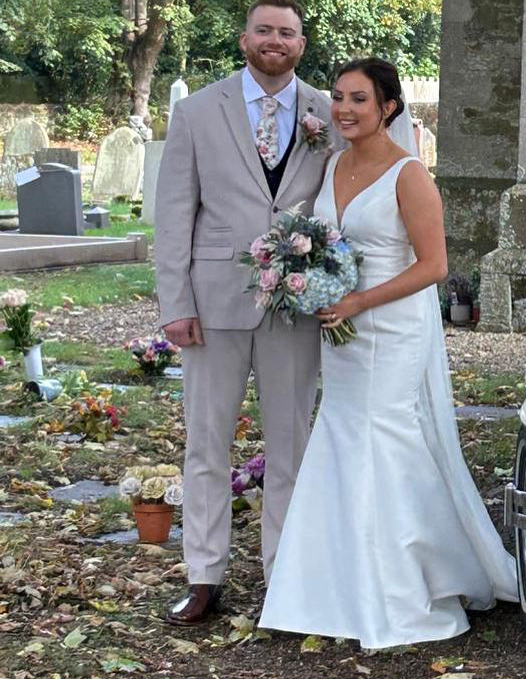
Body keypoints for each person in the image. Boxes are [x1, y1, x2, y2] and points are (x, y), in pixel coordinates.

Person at [257, 58, 518, 648]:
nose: (344, 110)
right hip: (341, 332)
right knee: (343, 436)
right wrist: (309, 281)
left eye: (359, 100)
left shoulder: (409, 175)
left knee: (385, 437)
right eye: (339, 98)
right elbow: (324, 241)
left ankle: (403, 587)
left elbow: (435, 267)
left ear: (388, 109)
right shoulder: (332, 165)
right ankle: (331, 587)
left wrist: (359, 301)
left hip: (391, 328)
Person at [154, 0, 337, 625]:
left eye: (286, 32)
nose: (274, 41)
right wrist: (175, 304)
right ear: (245, 38)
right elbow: (176, 215)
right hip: (212, 305)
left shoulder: (326, 110)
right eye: (264, 30)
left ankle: (284, 574)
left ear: (301, 43)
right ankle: (205, 577)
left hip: (294, 307)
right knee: (207, 445)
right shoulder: (198, 111)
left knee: (292, 443)